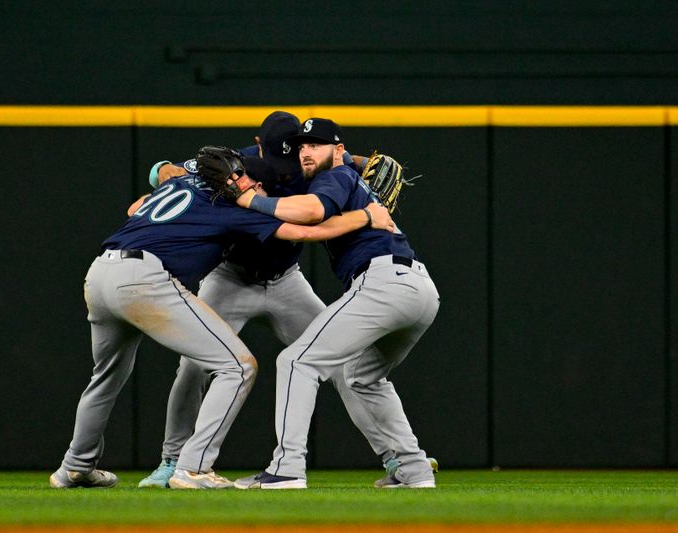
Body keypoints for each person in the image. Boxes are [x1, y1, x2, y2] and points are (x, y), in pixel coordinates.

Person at [49, 151, 394, 490]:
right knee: (238, 367)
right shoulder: (229, 204)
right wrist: (366, 215)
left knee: (105, 378)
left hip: (101, 274)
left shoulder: (186, 183)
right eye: (240, 178)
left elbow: (135, 208)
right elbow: (301, 232)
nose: (246, 184)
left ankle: (76, 466)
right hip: (146, 280)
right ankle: (192, 468)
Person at [136, 111, 403, 488]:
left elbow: (337, 157)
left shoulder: (308, 163)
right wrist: (172, 171)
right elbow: (161, 171)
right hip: (230, 277)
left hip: (286, 281)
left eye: (296, 151)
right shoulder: (236, 162)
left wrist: (356, 160)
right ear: (257, 145)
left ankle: (395, 457)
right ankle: (174, 460)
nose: (286, 163)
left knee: (344, 359)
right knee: (193, 365)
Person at [232, 118, 440, 489]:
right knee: (362, 377)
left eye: (317, 143)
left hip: (382, 282)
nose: (307, 151)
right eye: (302, 146)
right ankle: (414, 469)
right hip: (418, 290)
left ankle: (287, 469)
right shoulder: (347, 178)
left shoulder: (336, 177)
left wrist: (251, 200)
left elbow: (311, 213)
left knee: (295, 361)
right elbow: (319, 221)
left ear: (339, 150)